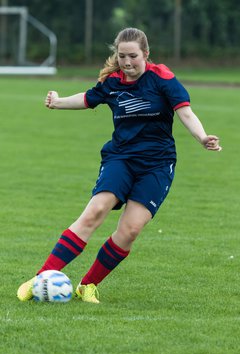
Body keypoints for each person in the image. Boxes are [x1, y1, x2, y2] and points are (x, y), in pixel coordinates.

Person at [17, 27, 222, 304]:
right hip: (120, 158)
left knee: (130, 230)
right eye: (122, 56)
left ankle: (87, 285)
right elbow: (88, 99)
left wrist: (202, 137)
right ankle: (39, 278)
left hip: (157, 164)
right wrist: (57, 102)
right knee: (96, 211)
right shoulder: (113, 82)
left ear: (146, 54)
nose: (127, 62)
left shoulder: (162, 78)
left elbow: (185, 112)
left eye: (133, 56)